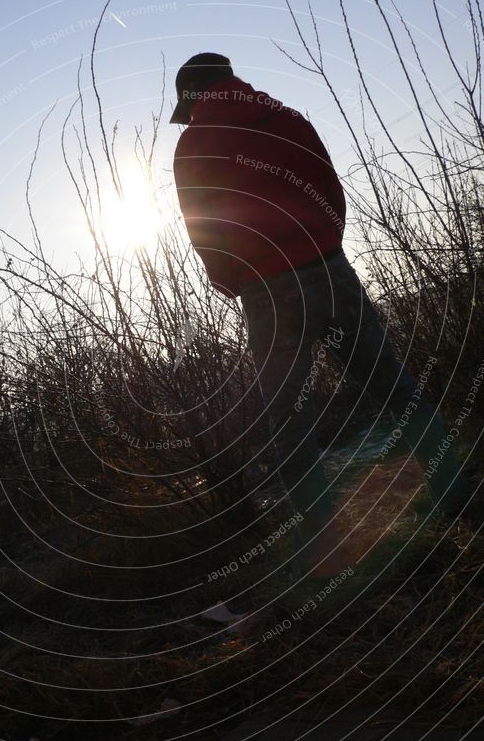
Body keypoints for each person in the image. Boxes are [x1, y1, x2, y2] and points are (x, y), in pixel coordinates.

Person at [170, 52, 471, 579]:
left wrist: (229, 277)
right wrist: (325, 244)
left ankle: (323, 550)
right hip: (329, 269)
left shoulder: (194, 144)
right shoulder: (288, 118)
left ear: (193, 96)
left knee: (288, 421)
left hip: (268, 288)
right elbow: (329, 186)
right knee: (392, 386)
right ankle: (457, 493)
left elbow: (203, 222)